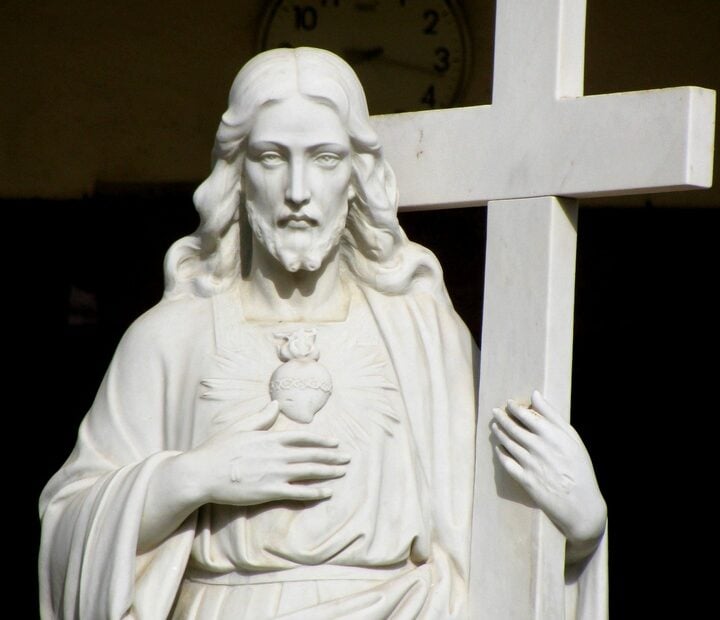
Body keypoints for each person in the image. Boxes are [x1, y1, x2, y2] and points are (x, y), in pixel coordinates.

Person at [39, 47, 606, 619]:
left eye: (325, 158)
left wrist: (581, 532)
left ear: (357, 177)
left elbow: (501, 540)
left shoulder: (422, 334)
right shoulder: (170, 338)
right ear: (237, 175)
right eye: (270, 157)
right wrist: (197, 475)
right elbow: (68, 527)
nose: (297, 189)